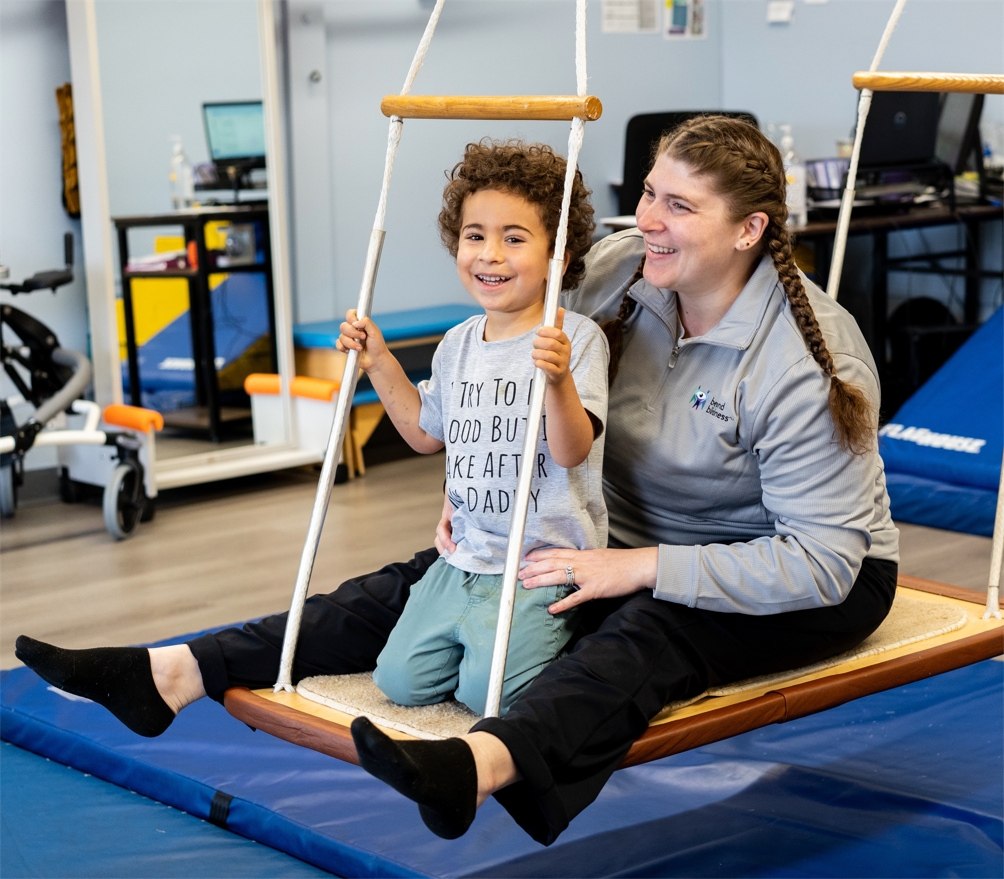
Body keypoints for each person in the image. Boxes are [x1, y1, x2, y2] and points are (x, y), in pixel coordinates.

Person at [16, 116, 899, 847]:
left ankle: (478, 767)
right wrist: (479, 468)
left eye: (678, 205)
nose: (647, 219)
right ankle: (173, 672)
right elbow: (510, 351)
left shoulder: (804, 357)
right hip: (617, 529)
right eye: (646, 194)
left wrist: (640, 568)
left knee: (651, 633)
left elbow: (821, 562)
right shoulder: (621, 270)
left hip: (804, 573)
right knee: (435, 575)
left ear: (749, 230)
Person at [335, 139, 609, 716]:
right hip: (464, 554)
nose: (489, 254)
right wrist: (379, 362)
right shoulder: (457, 344)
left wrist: (556, 381)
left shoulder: (575, 338)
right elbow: (424, 434)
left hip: (543, 562)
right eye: (474, 235)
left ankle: (573, 634)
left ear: (557, 257)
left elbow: (571, 451)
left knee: (488, 694)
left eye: (514, 238)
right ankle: (485, 637)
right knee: (401, 682)